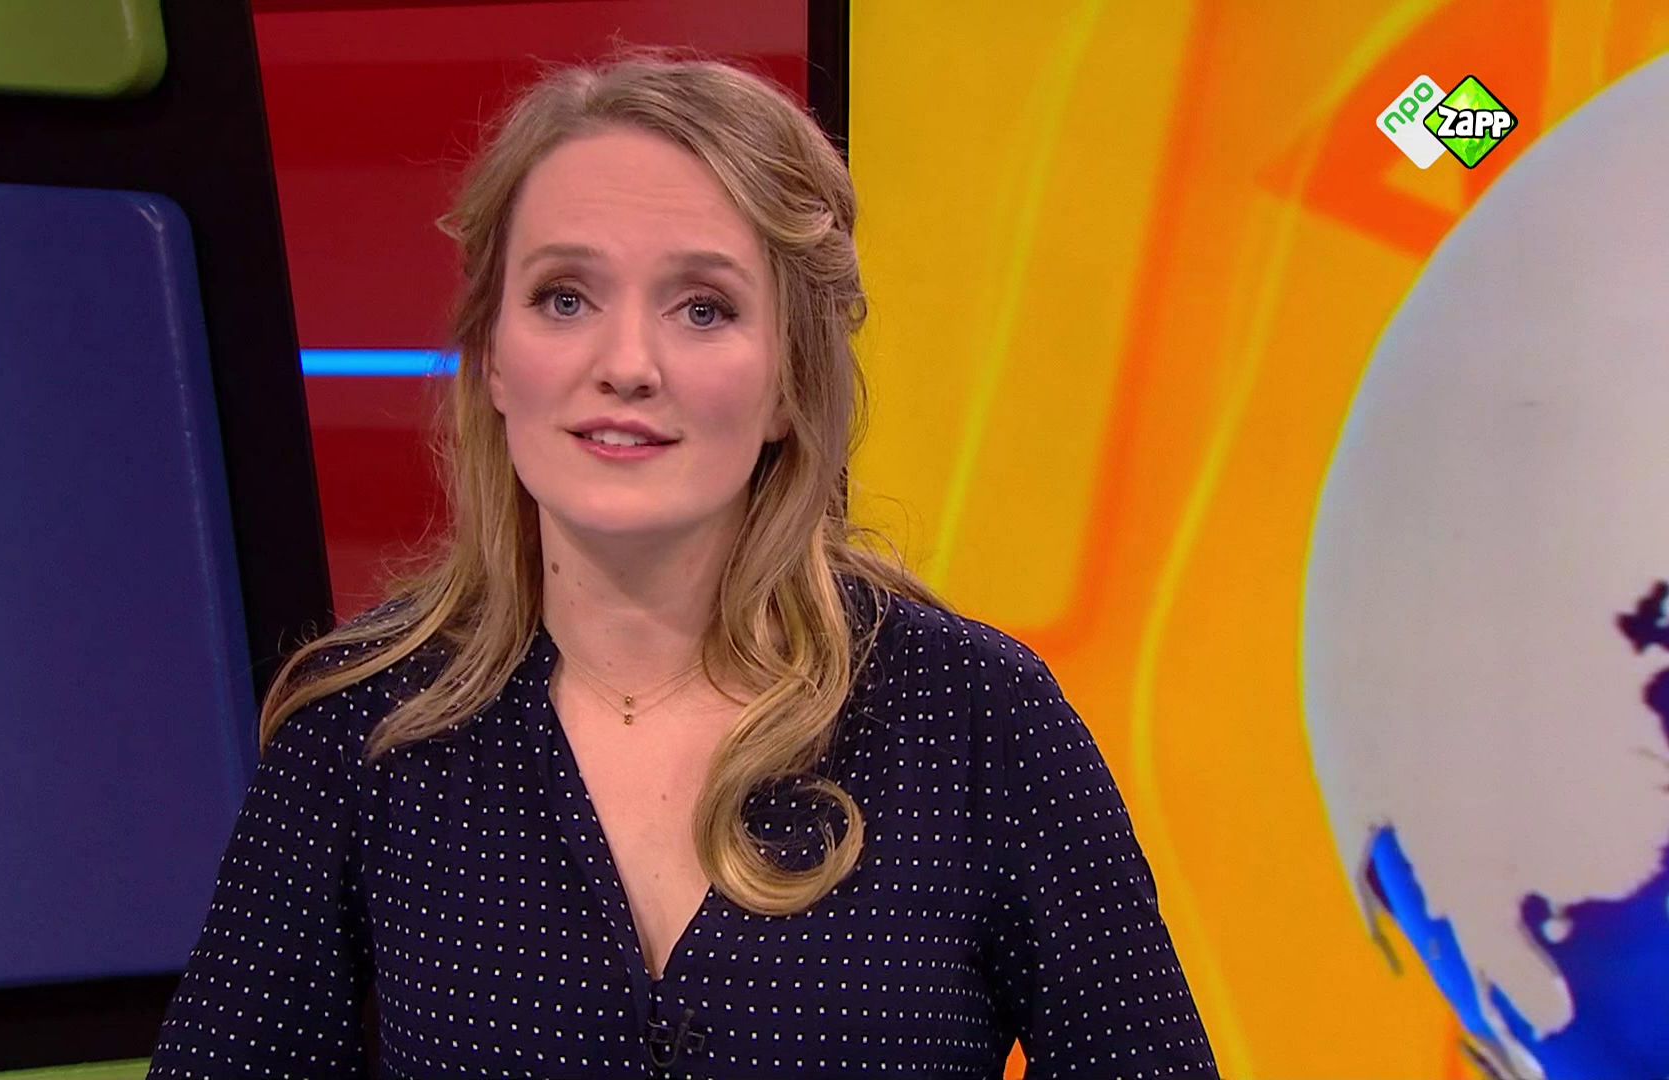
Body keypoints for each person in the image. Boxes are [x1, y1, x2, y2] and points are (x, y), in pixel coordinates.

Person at [147, 51, 1217, 1080]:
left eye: (703, 308)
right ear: (496, 359)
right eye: (565, 297)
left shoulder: (977, 718)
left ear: (791, 381)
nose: (626, 365)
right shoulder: (365, 728)